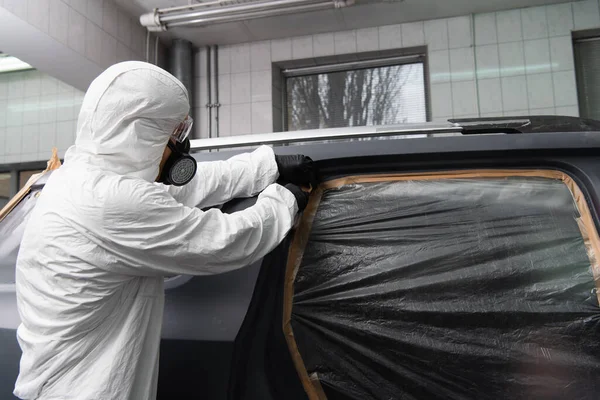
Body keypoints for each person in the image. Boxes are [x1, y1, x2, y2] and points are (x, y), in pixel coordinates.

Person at [14, 61, 315, 400]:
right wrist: (284, 202)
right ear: (139, 134)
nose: (179, 146)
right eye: (173, 134)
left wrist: (265, 166)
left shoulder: (79, 177)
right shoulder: (110, 201)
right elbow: (222, 242)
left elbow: (181, 189)